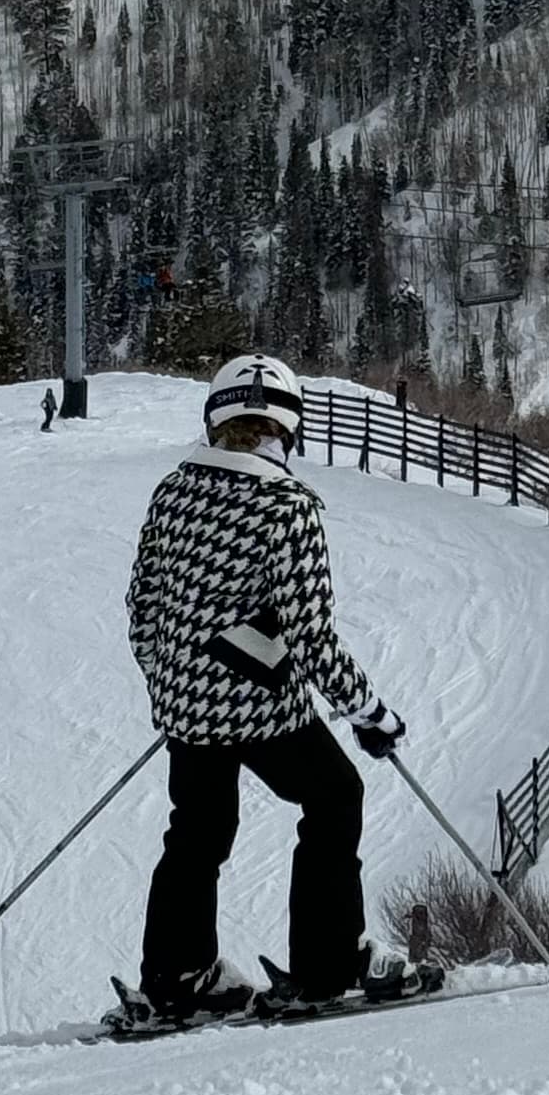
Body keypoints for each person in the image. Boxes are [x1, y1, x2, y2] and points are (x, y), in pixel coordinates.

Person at [124, 349, 410, 1017]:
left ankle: (177, 977)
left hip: (185, 709)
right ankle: (331, 962)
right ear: (289, 429)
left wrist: (171, 684)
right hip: (261, 708)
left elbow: (143, 607)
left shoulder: (173, 490)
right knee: (336, 798)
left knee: (196, 832)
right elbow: (309, 637)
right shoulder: (286, 506)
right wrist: (368, 711)